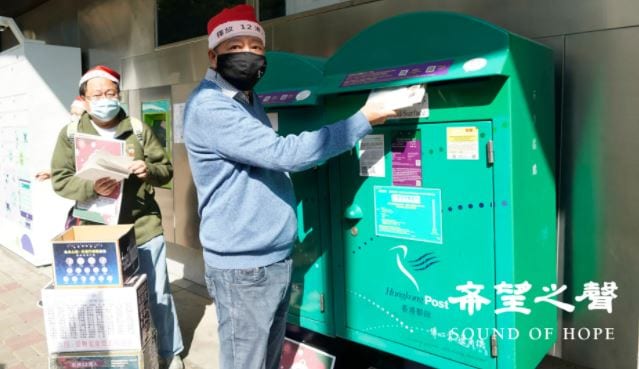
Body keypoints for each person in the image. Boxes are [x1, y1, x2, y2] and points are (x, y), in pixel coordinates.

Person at [183, 5, 396, 369]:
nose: (248, 54)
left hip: (272, 258)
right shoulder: (210, 106)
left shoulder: (248, 99)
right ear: (213, 54)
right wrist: (364, 118)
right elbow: (283, 154)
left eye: (256, 46)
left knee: (266, 359)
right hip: (243, 267)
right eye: (237, 46)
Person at [50, 65, 185, 369]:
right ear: (83, 99)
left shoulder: (136, 128)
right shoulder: (71, 135)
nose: (105, 99)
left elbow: (166, 170)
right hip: (97, 230)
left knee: (157, 292)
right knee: (108, 299)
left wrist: (147, 170)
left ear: (119, 95)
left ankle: (169, 351)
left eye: (111, 93)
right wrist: (90, 186)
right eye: (97, 94)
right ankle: (119, 356)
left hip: (143, 226)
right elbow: (60, 179)